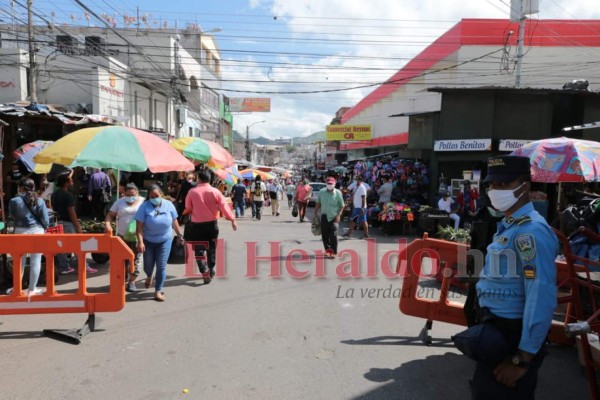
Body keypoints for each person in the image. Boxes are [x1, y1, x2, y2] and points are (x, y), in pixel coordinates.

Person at [468, 155, 557, 399]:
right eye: (492, 185)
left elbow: (541, 296)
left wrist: (521, 360)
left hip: (513, 338)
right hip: (497, 330)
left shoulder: (531, 232)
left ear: (524, 186)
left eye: (504, 185)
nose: (495, 191)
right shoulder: (510, 224)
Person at [183, 170, 237, 284]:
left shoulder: (192, 192)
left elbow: (188, 207)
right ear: (209, 179)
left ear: (199, 179)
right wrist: (232, 219)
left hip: (196, 225)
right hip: (212, 225)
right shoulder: (215, 191)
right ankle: (211, 269)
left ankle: (204, 270)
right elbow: (224, 206)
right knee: (211, 249)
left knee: (199, 249)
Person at [134, 184, 183, 302]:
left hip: (165, 240)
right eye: (151, 196)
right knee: (148, 265)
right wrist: (140, 242)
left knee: (161, 266)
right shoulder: (144, 206)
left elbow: (174, 221)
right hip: (148, 241)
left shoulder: (169, 205)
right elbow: (139, 226)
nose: (154, 198)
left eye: (156, 195)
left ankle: (158, 291)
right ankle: (149, 276)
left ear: (161, 194)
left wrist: (179, 234)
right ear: (148, 197)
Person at [7, 178, 49, 295]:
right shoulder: (40, 201)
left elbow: (12, 216)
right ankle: (32, 289)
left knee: (19, 260)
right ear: (33, 187)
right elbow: (45, 220)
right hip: (37, 232)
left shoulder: (14, 201)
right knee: (36, 260)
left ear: (20, 187)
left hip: (20, 232)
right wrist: (44, 229)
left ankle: (17, 288)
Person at [51, 173, 97, 274]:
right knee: (77, 245)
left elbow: (54, 209)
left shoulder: (54, 195)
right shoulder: (68, 195)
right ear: (66, 183)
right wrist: (78, 226)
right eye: (70, 180)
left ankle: (64, 267)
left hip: (58, 222)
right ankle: (84, 266)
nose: (72, 182)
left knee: (60, 245)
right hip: (68, 223)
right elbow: (71, 212)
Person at [104, 183, 144, 293]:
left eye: (132, 194)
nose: (130, 197)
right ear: (124, 193)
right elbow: (110, 215)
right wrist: (107, 224)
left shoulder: (143, 201)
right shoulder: (119, 202)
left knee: (137, 260)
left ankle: (132, 282)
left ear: (137, 193)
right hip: (122, 237)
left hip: (138, 237)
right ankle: (121, 281)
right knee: (122, 261)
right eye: (127, 194)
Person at [314, 177, 345, 259]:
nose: (330, 185)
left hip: (334, 217)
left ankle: (334, 252)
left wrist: (339, 215)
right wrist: (315, 212)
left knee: (333, 236)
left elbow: (342, 205)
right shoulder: (322, 192)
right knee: (325, 236)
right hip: (324, 216)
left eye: (331, 184)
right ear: (326, 184)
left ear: (334, 184)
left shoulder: (338, 193)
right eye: (328, 183)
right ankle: (328, 251)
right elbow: (318, 202)